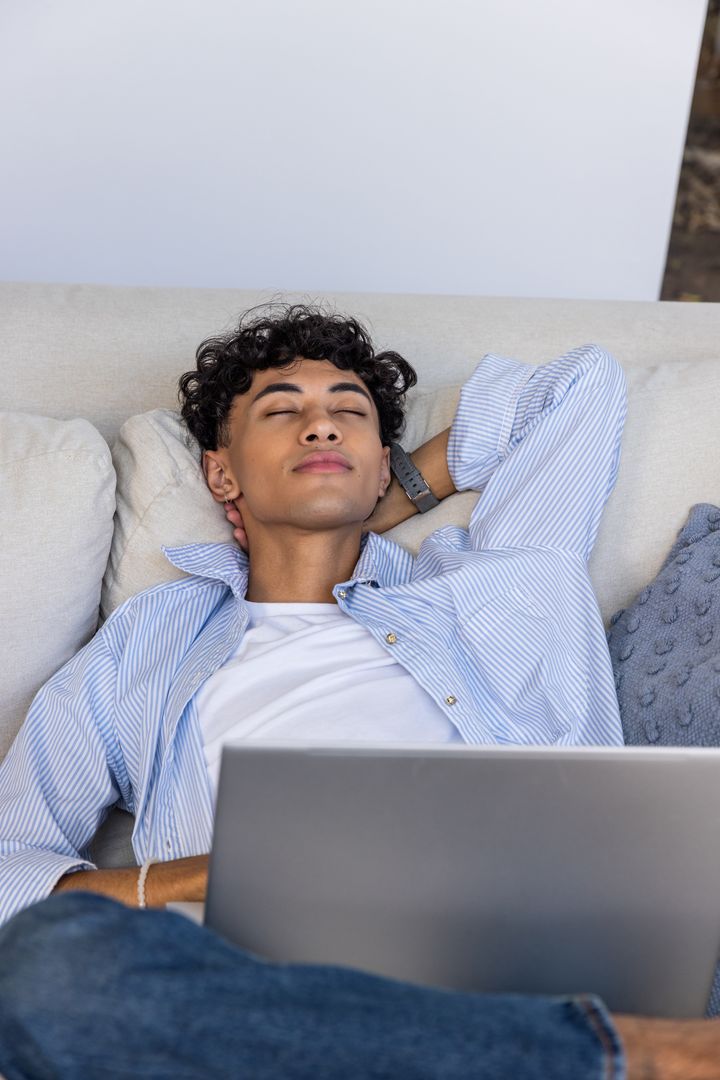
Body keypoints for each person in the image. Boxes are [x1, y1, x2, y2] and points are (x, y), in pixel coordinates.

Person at [0, 304, 717, 1079]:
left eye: (349, 411)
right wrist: (214, 873)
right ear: (221, 473)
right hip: (267, 1004)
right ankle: (628, 1056)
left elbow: (579, 385)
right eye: (283, 411)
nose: (321, 427)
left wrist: (395, 495)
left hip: (518, 971)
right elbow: (10, 865)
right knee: (49, 967)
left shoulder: (500, 584)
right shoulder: (148, 643)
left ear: (382, 460)